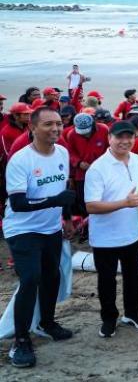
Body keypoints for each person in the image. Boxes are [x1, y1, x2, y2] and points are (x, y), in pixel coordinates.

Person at [4, 107, 75, 368]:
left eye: (58, 124)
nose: (55, 129)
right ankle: (21, 341)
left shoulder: (63, 152)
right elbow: (19, 203)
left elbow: (63, 189)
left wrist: (66, 217)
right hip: (22, 229)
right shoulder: (21, 160)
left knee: (52, 275)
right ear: (32, 128)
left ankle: (47, 322)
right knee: (31, 278)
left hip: (50, 228)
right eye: (48, 125)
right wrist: (55, 201)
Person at [84, 121, 138, 337]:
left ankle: (133, 313)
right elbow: (91, 206)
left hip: (132, 232)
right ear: (109, 138)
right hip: (105, 237)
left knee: (133, 276)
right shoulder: (97, 168)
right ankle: (109, 319)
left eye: (129, 137)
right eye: (120, 137)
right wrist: (125, 203)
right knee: (107, 281)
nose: (125, 141)